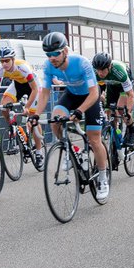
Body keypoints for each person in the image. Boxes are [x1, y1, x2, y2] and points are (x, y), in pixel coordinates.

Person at [32, 32, 110, 201]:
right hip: (71, 94)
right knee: (55, 121)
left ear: (65, 51)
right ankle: (72, 150)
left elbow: (94, 92)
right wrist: (36, 115)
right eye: (49, 54)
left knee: (94, 140)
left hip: (90, 98)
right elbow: (44, 92)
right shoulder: (48, 66)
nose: (52, 58)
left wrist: (80, 111)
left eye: (55, 53)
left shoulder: (82, 63)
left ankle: (103, 179)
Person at [0, 45, 44, 167]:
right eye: (2, 61)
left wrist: (27, 106)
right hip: (17, 85)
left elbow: (35, 89)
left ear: (13, 59)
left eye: (7, 60)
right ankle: (12, 127)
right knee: (3, 106)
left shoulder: (22, 67)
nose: (4, 64)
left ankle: (39, 152)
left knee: (32, 119)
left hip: (33, 86)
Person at [92, 52, 134, 151]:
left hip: (123, 85)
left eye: (103, 70)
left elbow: (130, 95)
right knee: (109, 112)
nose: (100, 73)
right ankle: (116, 134)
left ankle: (132, 130)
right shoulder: (95, 73)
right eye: (98, 70)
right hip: (111, 85)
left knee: (121, 109)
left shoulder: (119, 71)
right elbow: (94, 90)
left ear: (110, 66)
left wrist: (128, 112)